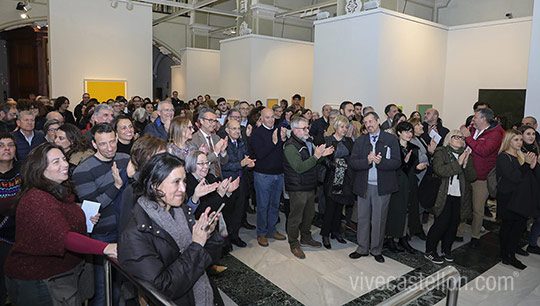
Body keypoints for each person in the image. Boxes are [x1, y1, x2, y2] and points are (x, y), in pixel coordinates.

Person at [4, 143, 116, 306]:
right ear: (39, 168)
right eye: (56, 162)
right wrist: (106, 248)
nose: (65, 164)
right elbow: (63, 237)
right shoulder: (37, 198)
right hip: (39, 281)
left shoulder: (57, 190)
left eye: (64, 159)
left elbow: (58, 216)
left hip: (59, 276)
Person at [118, 153, 224, 305]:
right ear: (155, 185)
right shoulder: (135, 234)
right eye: (176, 182)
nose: (183, 188)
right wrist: (196, 245)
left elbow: (208, 260)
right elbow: (163, 287)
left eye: (184, 181)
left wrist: (208, 234)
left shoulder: (181, 212)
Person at [72, 123, 129, 306]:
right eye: (103, 144)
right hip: (102, 235)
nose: (110, 147)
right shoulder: (83, 170)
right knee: (102, 290)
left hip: (126, 230)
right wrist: (116, 187)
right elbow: (92, 206)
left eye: (112, 142)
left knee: (122, 284)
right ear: (94, 144)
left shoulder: (125, 160)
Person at [348, 112, 401, 263]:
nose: (369, 124)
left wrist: (381, 162)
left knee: (378, 219)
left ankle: (376, 249)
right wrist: (367, 160)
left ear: (378, 121)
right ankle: (362, 248)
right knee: (362, 218)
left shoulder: (390, 139)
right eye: (366, 122)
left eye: (371, 121)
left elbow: (397, 162)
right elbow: (352, 163)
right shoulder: (360, 141)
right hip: (364, 186)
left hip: (382, 187)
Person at [284, 117, 333, 258]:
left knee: (309, 214)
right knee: (296, 217)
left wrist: (322, 155)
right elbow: (299, 168)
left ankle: (306, 237)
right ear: (295, 130)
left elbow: (312, 161)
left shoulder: (307, 141)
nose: (307, 130)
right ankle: (294, 243)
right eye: (304, 128)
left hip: (309, 185)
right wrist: (317, 156)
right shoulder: (290, 146)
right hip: (297, 187)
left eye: (307, 127)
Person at [425, 130, 476, 264]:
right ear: (449, 138)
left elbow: (472, 177)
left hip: (460, 194)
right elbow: (440, 170)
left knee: (454, 224)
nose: (460, 140)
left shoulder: (466, 155)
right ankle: (430, 251)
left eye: (462, 138)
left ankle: (446, 249)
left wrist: (466, 164)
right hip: (443, 194)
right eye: (456, 137)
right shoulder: (441, 152)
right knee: (441, 223)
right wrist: (458, 164)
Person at [459, 108, 503, 248]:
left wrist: (468, 138)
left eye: (475, 117)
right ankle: (458, 233)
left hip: (481, 177)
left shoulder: (495, 134)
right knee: (463, 204)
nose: (473, 120)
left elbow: (483, 151)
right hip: (466, 172)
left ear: (484, 119)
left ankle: (475, 236)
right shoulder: (472, 130)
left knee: (477, 208)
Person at [496, 129, 539, 269]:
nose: (520, 142)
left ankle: (511, 253)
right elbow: (514, 177)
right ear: (508, 141)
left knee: (518, 228)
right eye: (516, 139)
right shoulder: (503, 157)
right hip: (508, 198)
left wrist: (532, 166)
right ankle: (506, 255)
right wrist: (526, 165)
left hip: (520, 198)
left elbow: (527, 178)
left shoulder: (521, 155)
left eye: (521, 140)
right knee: (507, 227)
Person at [385, 122, 426, 254]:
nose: (409, 134)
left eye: (410, 132)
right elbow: (392, 167)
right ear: (399, 133)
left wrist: (416, 167)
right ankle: (390, 239)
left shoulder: (413, 148)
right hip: (396, 182)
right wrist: (405, 162)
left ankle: (403, 238)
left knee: (407, 211)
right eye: (406, 132)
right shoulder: (393, 146)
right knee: (394, 211)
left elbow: (412, 170)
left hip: (409, 182)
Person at [250, 108, 288, 247]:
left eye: (272, 117)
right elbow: (260, 154)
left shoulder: (279, 131)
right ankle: (261, 233)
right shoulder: (257, 134)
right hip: (263, 175)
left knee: (274, 204)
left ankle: (272, 230)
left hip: (279, 174)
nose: (271, 119)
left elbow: (283, 151)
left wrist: (283, 140)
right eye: (267, 117)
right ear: (261, 118)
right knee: (263, 206)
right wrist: (274, 142)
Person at [320, 116, 354, 249]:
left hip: (345, 178)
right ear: (336, 127)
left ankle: (336, 231)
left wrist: (346, 164)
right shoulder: (328, 140)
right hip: (332, 177)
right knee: (330, 207)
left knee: (340, 207)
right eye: (342, 127)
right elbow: (322, 159)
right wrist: (335, 165)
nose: (344, 130)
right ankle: (325, 234)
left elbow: (353, 157)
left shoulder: (349, 141)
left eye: (346, 127)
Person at [220, 120, 256, 247]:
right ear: (227, 130)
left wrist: (249, 164)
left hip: (241, 181)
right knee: (228, 212)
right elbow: (223, 166)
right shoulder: (223, 144)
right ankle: (226, 239)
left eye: (238, 129)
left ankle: (235, 235)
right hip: (228, 182)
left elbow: (245, 159)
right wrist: (240, 164)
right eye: (233, 128)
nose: (236, 131)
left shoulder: (241, 142)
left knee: (239, 210)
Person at [0, 133, 19, 305]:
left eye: (10, 144)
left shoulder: (24, 171)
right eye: (1, 145)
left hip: (22, 236)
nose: (6, 148)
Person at [189, 108, 229, 178]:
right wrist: (215, 153)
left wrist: (223, 152)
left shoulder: (216, 138)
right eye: (210, 120)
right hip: (204, 178)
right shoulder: (193, 139)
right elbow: (196, 165)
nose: (213, 124)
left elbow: (224, 162)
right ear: (201, 121)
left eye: (215, 121)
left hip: (219, 177)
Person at [519, 125, 540, 255]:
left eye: (533, 134)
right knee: (521, 219)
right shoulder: (519, 151)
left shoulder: (535, 149)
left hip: (536, 186)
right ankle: (514, 246)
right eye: (528, 134)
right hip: (525, 189)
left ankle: (532, 244)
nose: (531, 136)